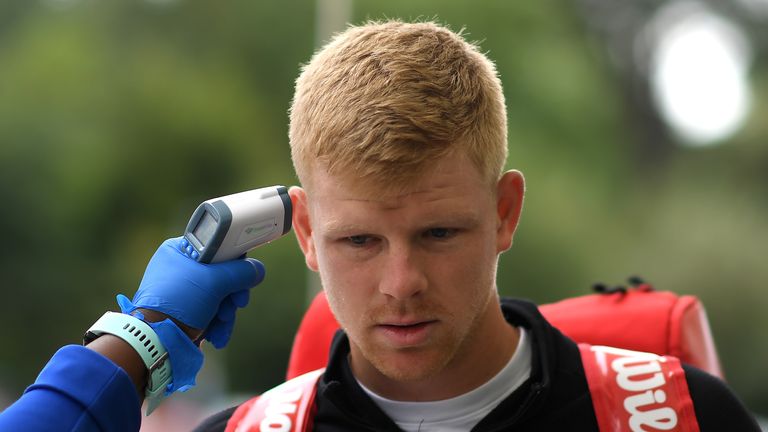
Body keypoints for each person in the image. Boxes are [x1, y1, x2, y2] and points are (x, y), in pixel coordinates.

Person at [0, 19, 760, 432]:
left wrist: (134, 350)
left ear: (505, 213)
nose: (402, 285)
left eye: (439, 234)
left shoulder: (682, 416)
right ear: (302, 234)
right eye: (359, 240)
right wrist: (135, 347)